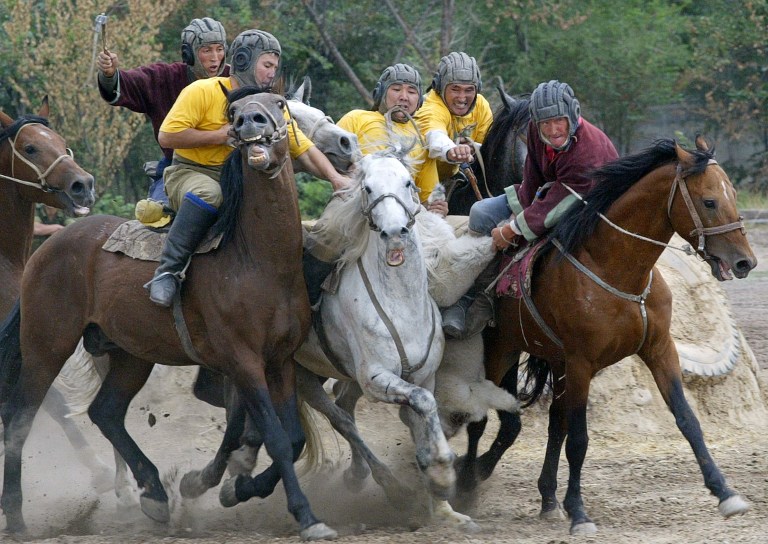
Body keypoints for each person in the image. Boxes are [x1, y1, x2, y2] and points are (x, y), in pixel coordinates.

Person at [147, 29, 350, 307]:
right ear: (243, 59)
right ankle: (168, 271)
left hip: (241, 181)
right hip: (193, 173)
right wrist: (218, 136)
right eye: (267, 65)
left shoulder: (272, 106)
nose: (272, 74)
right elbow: (167, 137)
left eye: (275, 68)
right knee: (210, 195)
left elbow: (303, 147)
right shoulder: (201, 90)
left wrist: (336, 179)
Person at [441, 79, 619, 338]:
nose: (553, 129)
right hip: (547, 196)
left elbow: (562, 199)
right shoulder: (537, 131)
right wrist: (519, 209)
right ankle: (472, 293)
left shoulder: (588, 150)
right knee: (480, 212)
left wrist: (513, 228)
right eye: (545, 123)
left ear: (574, 115)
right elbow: (533, 175)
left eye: (559, 120)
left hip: (586, 208)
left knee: (530, 242)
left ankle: (493, 298)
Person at [96, 17, 229, 202]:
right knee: (158, 219)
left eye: (220, 49)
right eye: (206, 50)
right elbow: (124, 84)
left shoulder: (234, 80)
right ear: (188, 53)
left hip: (230, 169)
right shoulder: (163, 78)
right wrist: (109, 74)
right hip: (178, 169)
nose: (215, 57)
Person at [336, 63, 447, 216]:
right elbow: (325, 159)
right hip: (355, 211)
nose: (404, 97)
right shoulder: (356, 118)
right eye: (396, 89)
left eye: (412, 91)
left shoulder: (421, 140)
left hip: (404, 217)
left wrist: (436, 207)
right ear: (381, 92)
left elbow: (426, 198)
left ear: (419, 100)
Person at [414, 51, 493, 203]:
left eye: (469, 90)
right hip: (421, 187)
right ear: (440, 87)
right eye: (455, 89)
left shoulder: (481, 104)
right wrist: (453, 151)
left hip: (456, 177)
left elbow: (489, 149)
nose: (462, 97)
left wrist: (473, 147)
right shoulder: (430, 105)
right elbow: (434, 137)